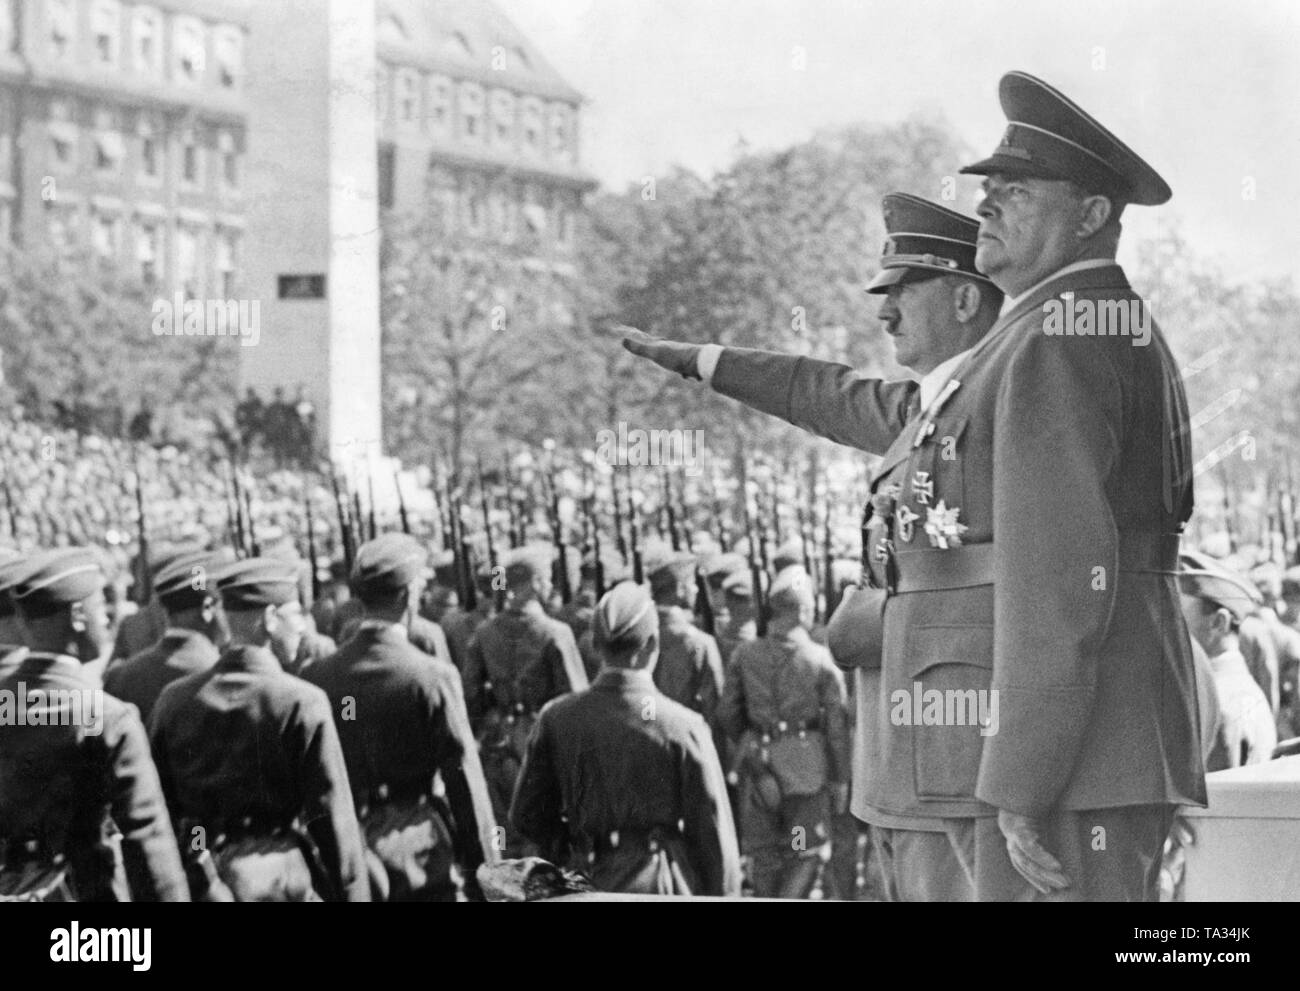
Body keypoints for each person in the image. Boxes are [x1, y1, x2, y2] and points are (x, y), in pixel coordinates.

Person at [621, 191, 1002, 900]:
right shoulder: (927, 409)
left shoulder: (1001, 407)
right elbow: (818, 390)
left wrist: (879, 619)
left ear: (963, 299)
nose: (884, 312)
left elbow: (1027, 585)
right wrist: (699, 359)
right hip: (904, 769)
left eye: (903, 292)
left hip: (961, 773)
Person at [149, 557, 368, 902]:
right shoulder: (302, 701)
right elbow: (331, 820)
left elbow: (161, 812)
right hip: (281, 879)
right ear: (269, 619)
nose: (302, 626)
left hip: (204, 880)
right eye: (295, 613)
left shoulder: (173, 700)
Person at [510, 580, 741, 896]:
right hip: (657, 880)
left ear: (596, 646)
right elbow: (713, 835)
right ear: (652, 644)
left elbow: (526, 813)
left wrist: (569, 847)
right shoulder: (683, 726)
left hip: (583, 878)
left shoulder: (556, 717)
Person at [304, 534, 498, 901]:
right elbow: (465, 785)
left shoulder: (318, 676)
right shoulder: (431, 676)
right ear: (408, 594)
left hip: (349, 848)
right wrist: (487, 876)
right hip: (420, 848)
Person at [0, 548, 189, 901]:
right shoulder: (105, 716)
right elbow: (147, 840)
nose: (108, 619)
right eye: (101, 606)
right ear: (77, 616)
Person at [718, 571, 850, 898]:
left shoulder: (745, 655)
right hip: (803, 775)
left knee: (764, 854)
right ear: (804, 612)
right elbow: (836, 728)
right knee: (801, 848)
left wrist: (752, 742)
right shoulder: (820, 660)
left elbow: (727, 714)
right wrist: (840, 778)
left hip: (758, 768)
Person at [462, 544, 588, 835]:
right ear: (533, 584)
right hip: (542, 738)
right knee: (548, 831)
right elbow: (574, 700)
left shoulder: (484, 631)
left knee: (506, 829)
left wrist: (487, 726)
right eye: (545, 579)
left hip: (499, 739)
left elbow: (470, 693)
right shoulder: (555, 632)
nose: (550, 585)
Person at [103, 549, 229, 726]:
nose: (231, 615)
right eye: (226, 605)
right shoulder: (224, 676)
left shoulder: (119, 677)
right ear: (207, 609)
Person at [1177, 554, 1277, 769]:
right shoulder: (1235, 690)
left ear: (1219, 623)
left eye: (1179, 615)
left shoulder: (1218, 702)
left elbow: (1215, 800)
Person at [647, 550, 726, 728]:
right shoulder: (699, 643)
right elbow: (713, 707)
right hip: (687, 739)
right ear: (680, 589)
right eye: (691, 584)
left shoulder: (639, 636)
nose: (696, 589)